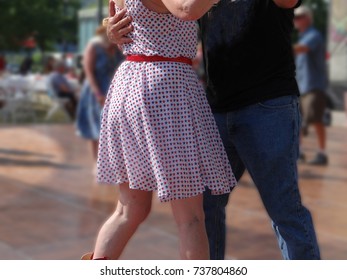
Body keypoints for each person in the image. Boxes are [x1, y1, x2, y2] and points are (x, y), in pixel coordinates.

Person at [107, 0, 321, 260]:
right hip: (214, 106)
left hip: (267, 103)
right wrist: (112, 29)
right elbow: (170, 12)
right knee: (203, 209)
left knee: (283, 207)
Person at [82, 0, 236, 260]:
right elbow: (187, 9)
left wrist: (110, 29)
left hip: (130, 85)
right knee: (190, 217)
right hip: (165, 89)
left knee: (129, 210)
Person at [76, 25, 124, 161]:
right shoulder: (94, 46)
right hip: (95, 90)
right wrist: (98, 94)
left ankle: (112, 163)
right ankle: (97, 163)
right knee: (96, 128)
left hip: (113, 90)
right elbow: (89, 72)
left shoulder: (117, 48)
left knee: (113, 128)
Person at [293, 5, 329, 165]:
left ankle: (322, 153)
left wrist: (276, 48)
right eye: (295, 17)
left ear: (308, 18)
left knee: (316, 119)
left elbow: (301, 49)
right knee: (298, 120)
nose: (296, 20)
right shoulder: (303, 36)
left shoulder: (313, 35)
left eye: (299, 17)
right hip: (301, 87)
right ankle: (300, 151)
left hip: (313, 86)